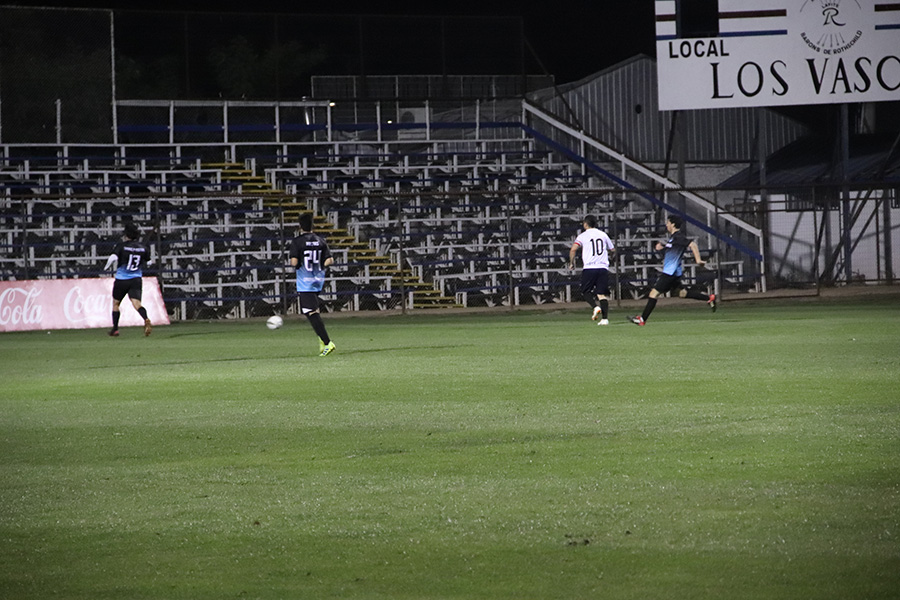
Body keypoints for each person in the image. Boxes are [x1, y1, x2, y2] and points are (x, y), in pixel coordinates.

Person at [629, 214, 716, 326]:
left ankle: (642, 319)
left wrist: (698, 260)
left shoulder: (678, 237)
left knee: (653, 294)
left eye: (668, 223)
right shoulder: (673, 238)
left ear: (673, 224)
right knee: (682, 293)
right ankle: (709, 298)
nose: (667, 225)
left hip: (669, 273)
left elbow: (693, 245)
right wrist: (662, 248)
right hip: (674, 273)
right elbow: (672, 251)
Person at [289, 212, 335, 356]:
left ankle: (327, 342)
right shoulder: (320, 241)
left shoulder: (297, 242)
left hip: (305, 282)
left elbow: (294, 262)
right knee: (313, 310)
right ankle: (321, 339)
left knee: (310, 311)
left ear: (300, 226)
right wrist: (319, 266)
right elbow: (330, 260)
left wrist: (297, 263)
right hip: (318, 280)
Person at [104, 221, 152, 337]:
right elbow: (149, 262)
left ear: (126, 234)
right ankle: (146, 318)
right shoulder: (143, 247)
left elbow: (113, 258)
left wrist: (106, 267)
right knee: (137, 303)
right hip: (136, 279)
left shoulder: (121, 246)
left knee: (116, 304)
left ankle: (115, 329)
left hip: (122, 279)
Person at [569, 215, 616, 325]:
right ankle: (605, 319)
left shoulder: (583, 236)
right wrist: (610, 257)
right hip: (602, 267)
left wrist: (572, 263)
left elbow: (573, 249)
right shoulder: (603, 234)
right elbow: (613, 250)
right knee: (601, 294)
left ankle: (595, 307)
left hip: (589, 267)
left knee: (586, 291)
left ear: (585, 224)